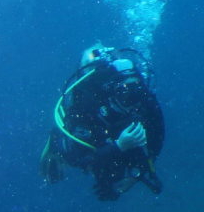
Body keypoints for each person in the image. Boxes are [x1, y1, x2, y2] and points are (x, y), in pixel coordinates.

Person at [39, 45, 165, 201]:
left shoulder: (145, 100)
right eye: (127, 97)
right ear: (113, 92)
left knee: (115, 182)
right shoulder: (90, 105)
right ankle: (56, 139)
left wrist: (136, 175)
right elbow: (80, 158)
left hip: (119, 138)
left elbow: (157, 137)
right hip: (96, 136)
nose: (133, 105)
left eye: (137, 95)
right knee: (86, 164)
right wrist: (118, 146)